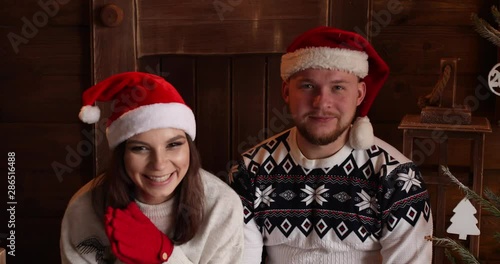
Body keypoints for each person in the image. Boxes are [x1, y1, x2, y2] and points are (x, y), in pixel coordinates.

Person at [229, 26, 433, 263]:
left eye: (338, 87)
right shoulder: (250, 170)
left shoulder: (398, 178)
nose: (321, 102)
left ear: (359, 94)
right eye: (307, 86)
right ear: (286, 91)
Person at [60, 72, 244, 263]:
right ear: (121, 155)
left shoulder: (222, 206)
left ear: (190, 147)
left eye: (173, 145)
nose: (159, 164)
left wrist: (161, 254)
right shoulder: (83, 209)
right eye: (140, 148)